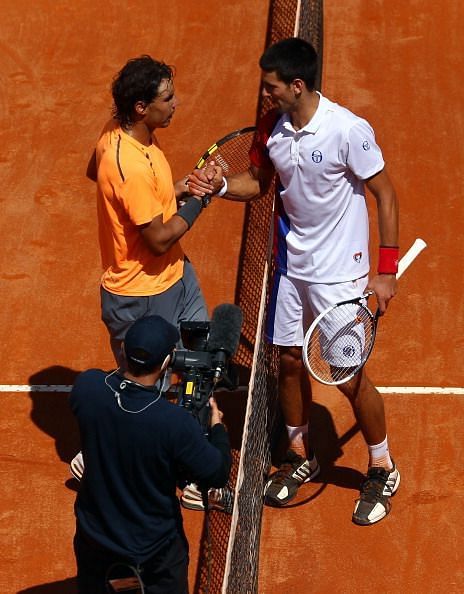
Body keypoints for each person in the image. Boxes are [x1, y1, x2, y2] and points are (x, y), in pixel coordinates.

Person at [187, 38, 400, 526]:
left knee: (347, 377)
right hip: (292, 268)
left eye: (271, 87)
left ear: (296, 85)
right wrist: (219, 185)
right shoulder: (272, 128)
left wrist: (385, 271)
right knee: (286, 362)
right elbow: (258, 184)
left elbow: (385, 196)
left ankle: (382, 464)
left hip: (341, 275)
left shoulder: (347, 130)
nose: (265, 95)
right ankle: (301, 454)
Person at [70, 55, 213, 492]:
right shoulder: (127, 163)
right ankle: (97, 454)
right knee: (140, 392)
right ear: (140, 107)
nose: (177, 104)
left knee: (201, 359)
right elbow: (158, 239)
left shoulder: (121, 137)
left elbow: (100, 174)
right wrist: (200, 200)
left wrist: (175, 190)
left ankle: (192, 454)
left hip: (175, 276)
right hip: (141, 294)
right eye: (167, 99)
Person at [70, 315, 232, 593]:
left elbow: (117, 408)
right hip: (152, 552)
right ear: (168, 361)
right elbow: (216, 472)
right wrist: (217, 427)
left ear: (123, 351)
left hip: (96, 541)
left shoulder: (88, 388)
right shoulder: (172, 422)